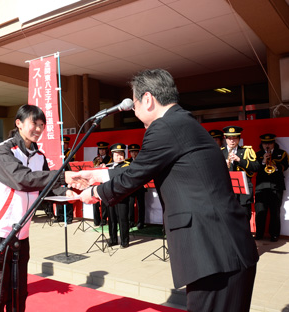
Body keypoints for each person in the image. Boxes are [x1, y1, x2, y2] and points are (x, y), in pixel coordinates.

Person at [72, 69, 259, 311]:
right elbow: (141, 167)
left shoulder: (165, 127)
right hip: (223, 249)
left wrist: (95, 193)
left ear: (148, 99)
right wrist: (94, 174)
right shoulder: (181, 122)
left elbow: (135, 175)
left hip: (214, 251)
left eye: (135, 102)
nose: (133, 109)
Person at [0, 104, 79, 312]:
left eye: (42, 125)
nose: (39, 129)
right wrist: (63, 175)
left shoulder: (39, 156)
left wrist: (66, 192)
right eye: (34, 123)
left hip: (21, 233)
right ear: (19, 124)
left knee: (18, 290)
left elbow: (45, 186)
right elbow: (22, 179)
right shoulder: (5, 150)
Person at [254, 133, 288, 242]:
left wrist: (276, 166)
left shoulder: (281, 154)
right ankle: (259, 234)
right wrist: (264, 161)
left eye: (269, 143)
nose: (267, 145)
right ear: (262, 144)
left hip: (276, 186)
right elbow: (254, 168)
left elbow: (286, 165)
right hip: (261, 187)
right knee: (260, 212)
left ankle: (274, 235)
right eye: (264, 143)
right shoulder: (257, 154)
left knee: (275, 212)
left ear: (274, 143)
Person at [222, 126, 260, 220]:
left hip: (243, 194)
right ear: (225, 138)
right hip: (227, 193)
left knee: (245, 219)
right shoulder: (220, 152)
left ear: (239, 138)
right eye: (229, 138)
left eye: (234, 138)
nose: (232, 141)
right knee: (229, 220)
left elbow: (256, 167)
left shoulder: (246, 151)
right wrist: (222, 165)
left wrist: (239, 160)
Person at [106, 143, 130, 247]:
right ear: (112, 156)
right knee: (111, 219)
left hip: (121, 196)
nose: (119, 157)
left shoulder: (126, 165)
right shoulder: (109, 166)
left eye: (121, 154)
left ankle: (125, 241)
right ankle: (113, 239)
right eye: (116, 155)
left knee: (123, 218)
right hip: (110, 196)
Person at [126, 144, 147, 229]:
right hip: (131, 186)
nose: (133, 153)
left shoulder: (143, 160)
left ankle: (141, 222)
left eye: (135, 151)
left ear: (138, 152)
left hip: (140, 186)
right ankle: (131, 222)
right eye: (131, 152)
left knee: (141, 205)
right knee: (130, 205)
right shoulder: (127, 162)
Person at [92, 141, 110, 226]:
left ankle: (104, 219)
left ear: (106, 150)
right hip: (96, 182)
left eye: (103, 149)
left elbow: (109, 169)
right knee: (95, 201)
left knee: (103, 203)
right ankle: (96, 220)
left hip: (104, 182)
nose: (101, 151)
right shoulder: (95, 159)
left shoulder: (109, 158)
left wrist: (104, 162)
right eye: (100, 149)